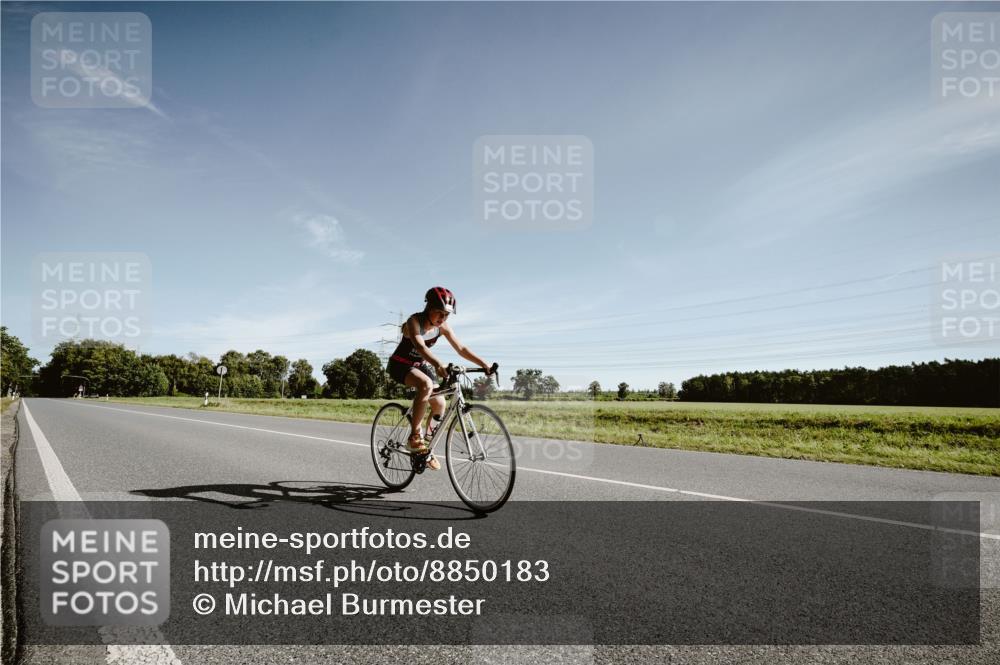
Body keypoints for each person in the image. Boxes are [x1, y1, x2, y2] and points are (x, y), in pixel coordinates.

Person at [387, 287, 492, 471]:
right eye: (439, 313)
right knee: (426, 385)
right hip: (400, 364)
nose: (442, 318)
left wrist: (484, 363)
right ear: (428, 307)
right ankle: (414, 438)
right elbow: (420, 347)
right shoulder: (414, 322)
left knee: (440, 404)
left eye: (447, 315)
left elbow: (460, 348)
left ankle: (426, 447)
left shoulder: (441, 327)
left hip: (421, 365)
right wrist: (437, 364)